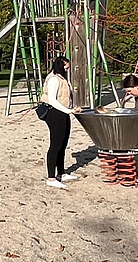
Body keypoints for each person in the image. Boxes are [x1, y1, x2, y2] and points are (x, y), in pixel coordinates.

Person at [41, 56, 82, 189]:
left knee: (63, 144)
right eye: (66, 67)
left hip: (63, 113)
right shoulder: (53, 79)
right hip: (54, 113)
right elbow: (52, 100)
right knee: (55, 145)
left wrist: (71, 109)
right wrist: (69, 110)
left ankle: (61, 173)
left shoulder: (62, 78)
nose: (67, 70)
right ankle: (51, 178)